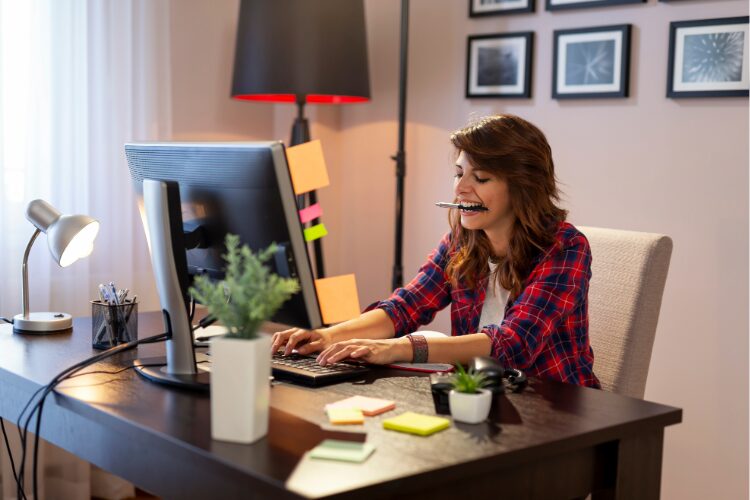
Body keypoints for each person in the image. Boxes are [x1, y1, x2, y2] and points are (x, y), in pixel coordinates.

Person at [272, 114, 599, 387]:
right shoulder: (462, 241)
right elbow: (406, 307)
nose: (460, 188)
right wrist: (326, 337)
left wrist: (398, 349)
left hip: (555, 406)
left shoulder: (565, 247)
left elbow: (514, 345)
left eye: (481, 178)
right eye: (459, 173)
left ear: (523, 187)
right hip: (479, 396)